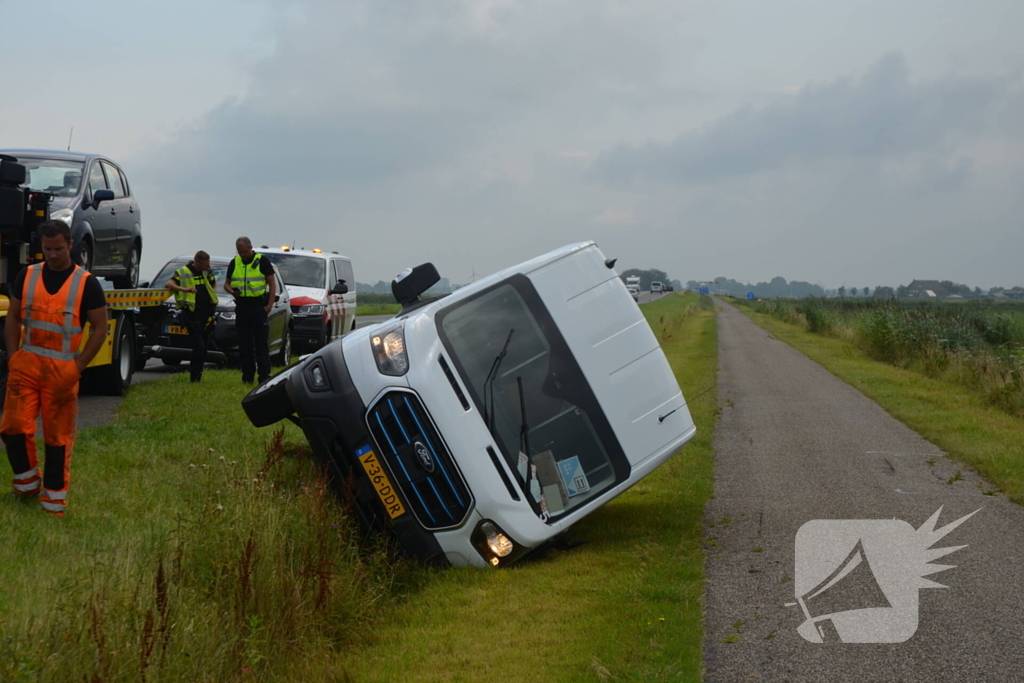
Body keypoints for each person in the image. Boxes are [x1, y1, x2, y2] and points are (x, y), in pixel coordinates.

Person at [0, 220, 107, 517]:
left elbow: (100, 328)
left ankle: (53, 502)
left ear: (70, 245)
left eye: (58, 248)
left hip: (63, 370)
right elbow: (13, 317)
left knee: (57, 438)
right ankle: (26, 485)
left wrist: (78, 366)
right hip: (27, 363)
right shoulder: (27, 275)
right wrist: (13, 356)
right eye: (47, 249)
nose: (53, 255)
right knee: (12, 428)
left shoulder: (87, 283)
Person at [223, 236, 276, 384]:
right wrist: (232, 291)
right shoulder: (235, 262)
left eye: (244, 252)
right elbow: (226, 284)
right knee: (245, 345)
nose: (242, 255)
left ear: (250, 248)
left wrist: (269, 306)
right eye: (240, 252)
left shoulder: (262, 261)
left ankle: (264, 376)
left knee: (261, 344)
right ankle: (247, 376)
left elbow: (272, 284)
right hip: (242, 307)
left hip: (258, 307)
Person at [165, 250, 218, 383]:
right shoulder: (183, 272)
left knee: (204, 348)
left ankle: (198, 376)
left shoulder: (207, 271)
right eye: (206, 264)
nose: (208, 266)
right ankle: (194, 377)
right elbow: (169, 284)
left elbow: (213, 283)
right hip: (192, 315)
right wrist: (185, 290)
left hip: (207, 314)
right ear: (198, 263)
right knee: (198, 347)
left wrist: (212, 293)